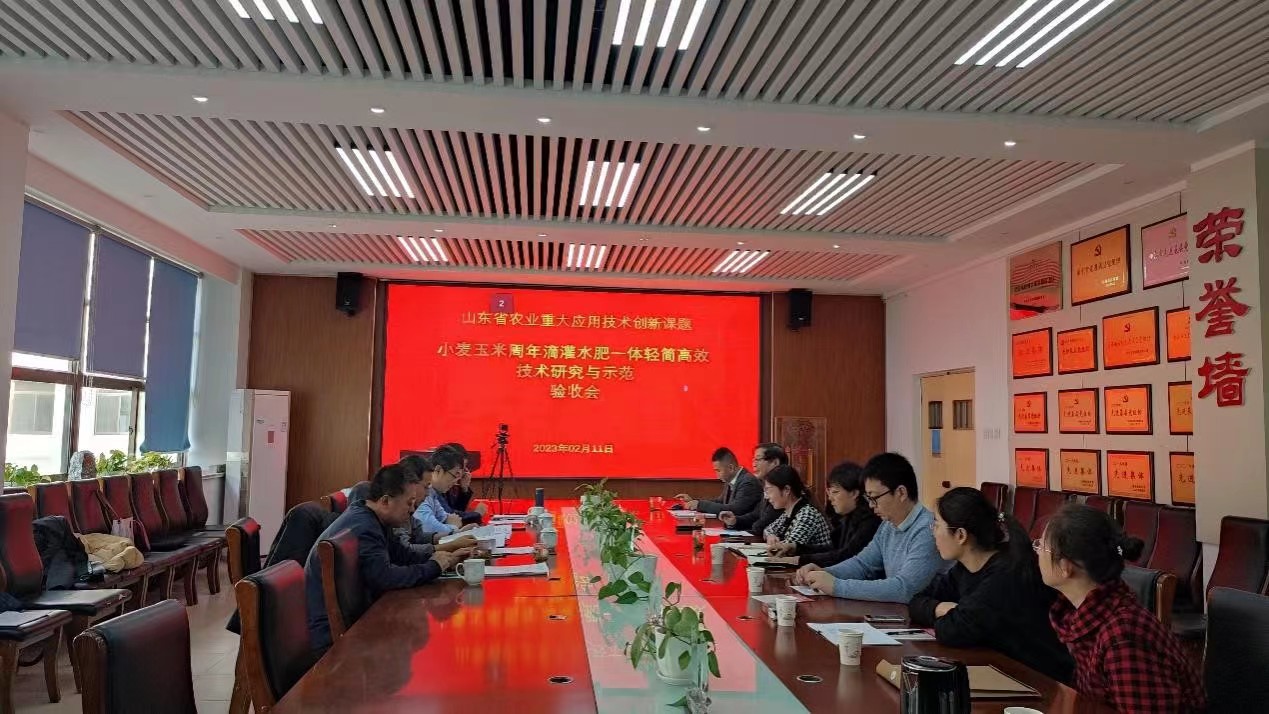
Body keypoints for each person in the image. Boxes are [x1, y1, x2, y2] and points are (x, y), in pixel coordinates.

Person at [1039, 504, 1205, 712]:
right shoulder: (1084, 614)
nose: (1037, 552)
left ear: (1065, 567)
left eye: (1041, 546)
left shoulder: (1123, 635)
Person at [908, 487, 1074, 684]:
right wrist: (942, 608)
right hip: (1003, 670)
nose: (933, 533)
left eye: (936, 525)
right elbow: (916, 603)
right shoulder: (964, 568)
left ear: (960, 535)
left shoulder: (1004, 575)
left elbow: (951, 631)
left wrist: (952, 613)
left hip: (1039, 680)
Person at [304, 464, 471, 651]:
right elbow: (385, 578)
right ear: (385, 501)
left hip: (357, 617)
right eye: (409, 503)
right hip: (335, 635)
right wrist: (433, 566)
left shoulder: (373, 517)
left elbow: (403, 554)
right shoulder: (364, 526)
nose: (412, 510)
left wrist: (444, 559)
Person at [795, 452, 943, 602]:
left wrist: (836, 586)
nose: (871, 505)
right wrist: (825, 573)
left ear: (901, 493)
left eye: (874, 498)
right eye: (868, 498)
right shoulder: (888, 526)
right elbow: (863, 564)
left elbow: (904, 588)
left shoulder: (928, 530)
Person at [768, 461, 881, 567]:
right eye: (829, 492)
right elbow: (834, 548)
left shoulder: (869, 521)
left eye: (835, 492)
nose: (830, 498)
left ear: (854, 493)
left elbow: (845, 556)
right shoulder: (849, 516)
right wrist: (795, 548)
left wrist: (798, 560)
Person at [719, 443, 788, 535]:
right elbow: (755, 515)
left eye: (758, 459)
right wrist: (735, 521)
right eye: (753, 459)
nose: (754, 464)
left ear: (775, 463)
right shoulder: (765, 485)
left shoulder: (782, 489)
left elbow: (761, 525)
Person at [672, 447, 762, 516]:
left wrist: (700, 505)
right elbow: (720, 502)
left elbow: (735, 510)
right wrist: (694, 501)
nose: (717, 475)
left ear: (730, 468)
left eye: (718, 471)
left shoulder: (748, 482)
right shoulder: (731, 479)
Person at [759, 465, 831, 550]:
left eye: (768, 490)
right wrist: (770, 536)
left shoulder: (807, 515)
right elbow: (768, 529)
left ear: (786, 490)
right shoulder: (790, 511)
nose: (766, 497)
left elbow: (787, 549)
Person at [413, 446, 478, 537]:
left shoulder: (433, 493)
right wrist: (454, 527)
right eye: (455, 475)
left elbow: (446, 517)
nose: (456, 481)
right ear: (438, 470)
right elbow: (429, 528)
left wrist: (460, 531)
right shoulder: (422, 493)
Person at [440, 442, 487, 524]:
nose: (463, 472)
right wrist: (477, 514)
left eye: (464, 468)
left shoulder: (450, 485)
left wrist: (464, 489)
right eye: (462, 467)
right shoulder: (436, 488)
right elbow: (449, 516)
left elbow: (457, 511)